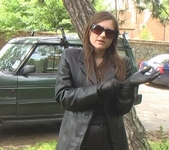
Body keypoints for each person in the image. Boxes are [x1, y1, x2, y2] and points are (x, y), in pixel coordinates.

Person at [54, 11, 160, 150]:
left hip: (111, 141)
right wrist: (98, 89)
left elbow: (119, 109)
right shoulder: (70, 57)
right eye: (98, 29)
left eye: (109, 33)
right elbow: (64, 97)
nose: (102, 35)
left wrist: (128, 87)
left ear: (113, 38)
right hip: (76, 141)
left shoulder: (123, 63)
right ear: (89, 30)